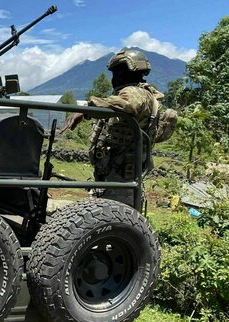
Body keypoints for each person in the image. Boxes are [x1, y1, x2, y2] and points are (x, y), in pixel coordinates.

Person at [60, 48, 164, 207]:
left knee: (113, 223)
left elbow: (127, 104)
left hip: (121, 177)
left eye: (118, 73)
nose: (114, 79)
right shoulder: (136, 92)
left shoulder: (136, 93)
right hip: (113, 173)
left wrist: (87, 109)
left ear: (130, 72)